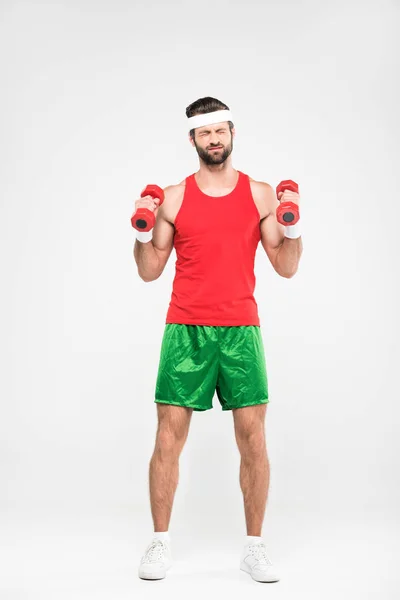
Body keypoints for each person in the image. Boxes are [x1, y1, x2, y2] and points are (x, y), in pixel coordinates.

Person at [133, 96, 303, 583]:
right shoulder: (172, 198)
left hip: (241, 331)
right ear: (192, 139)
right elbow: (148, 273)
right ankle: (159, 543)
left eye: (221, 131)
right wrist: (142, 231)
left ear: (232, 134)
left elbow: (287, 267)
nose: (214, 140)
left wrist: (295, 224)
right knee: (168, 436)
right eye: (205, 133)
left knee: (253, 438)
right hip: (185, 329)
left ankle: (254, 547)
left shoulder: (261, 194)